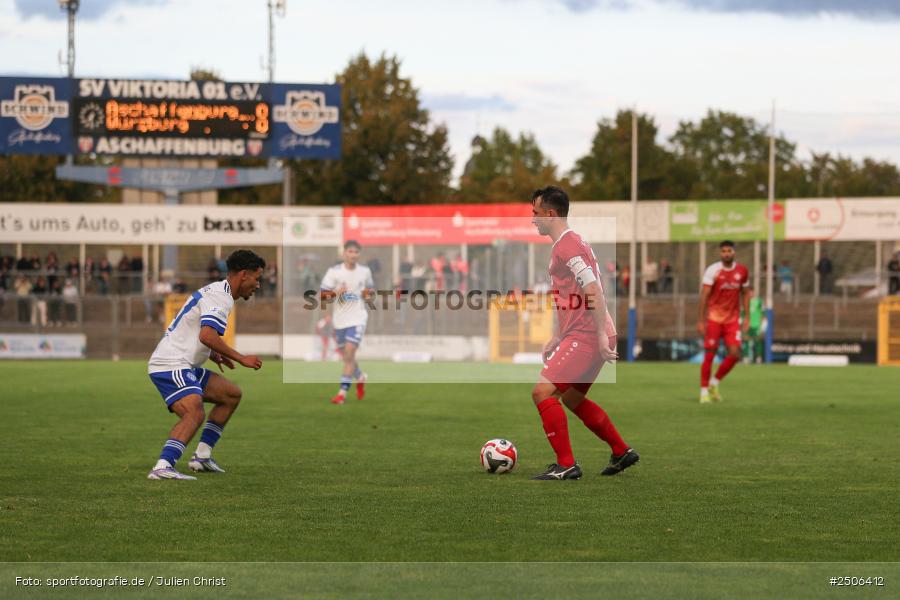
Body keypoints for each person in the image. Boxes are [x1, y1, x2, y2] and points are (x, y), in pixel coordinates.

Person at [529, 185, 639, 480]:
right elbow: (573, 295)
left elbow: (593, 288)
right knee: (573, 399)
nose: (533, 219)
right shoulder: (571, 242)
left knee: (542, 392)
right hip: (585, 332)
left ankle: (566, 464)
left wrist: (600, 335)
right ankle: (620, 450)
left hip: (588, 334)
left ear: (550, 214)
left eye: (535, 213)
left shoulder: (567, 245)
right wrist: (557, 334)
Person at [146, 249, 265, 480]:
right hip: (170, 363)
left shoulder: (219, 292)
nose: (258, 285)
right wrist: (241, 358)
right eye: (256, 278)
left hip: (183, 363)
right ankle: (163, 466)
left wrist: (212, 353)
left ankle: (201, 457)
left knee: (231, 395)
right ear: (243, 275)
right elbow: (207, 335)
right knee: (194, 411)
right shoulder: (220, 297)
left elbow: (193, 331)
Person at [320, 240, 374, 405]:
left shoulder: (365, 271)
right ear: (344, 253)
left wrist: (368, 295)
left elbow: (370, 291)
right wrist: (336, 293)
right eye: (350, 252)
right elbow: (323, 295)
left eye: (356, 252)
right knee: (347, 357)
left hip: (358, 317)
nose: (353, 255)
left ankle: (342, 394)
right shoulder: (334, 272)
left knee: (349, 352)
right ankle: (360, 376)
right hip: (340, 320)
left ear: (359, 254)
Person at [697, 240, 751, 404]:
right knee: (710, 355)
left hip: (732, 320)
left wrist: (747, 317)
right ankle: (704, 391)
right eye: (723, 251)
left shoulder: (742, 271)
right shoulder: (713, 270)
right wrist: (700, 320)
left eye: (729, 251)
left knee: (735, 354)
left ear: (734, 252)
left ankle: (715, 382)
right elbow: (704, 295)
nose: (726, 253)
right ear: (720, 253)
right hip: (714, 319)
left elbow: (746, 294)